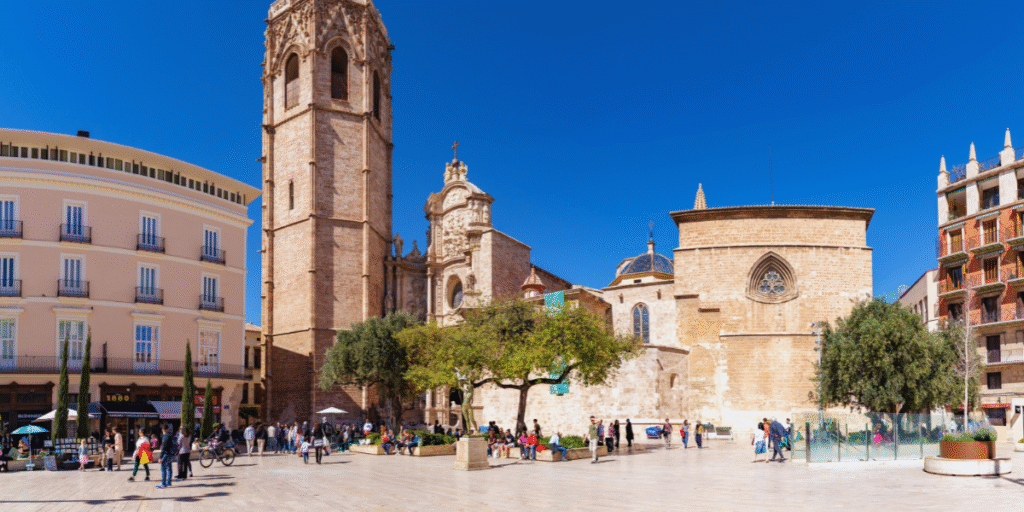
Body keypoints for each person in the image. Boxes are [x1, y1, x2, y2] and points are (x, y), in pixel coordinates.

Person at [156, 424, 177, 489]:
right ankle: (169, 482)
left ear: (163, 430)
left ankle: (163, 483)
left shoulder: (165, 436)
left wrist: (160, 457)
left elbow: (163, 448)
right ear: (167, 429)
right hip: (171, 454)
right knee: (169, 468)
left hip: (166, 454)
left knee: (163, 468)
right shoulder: (171, 435)